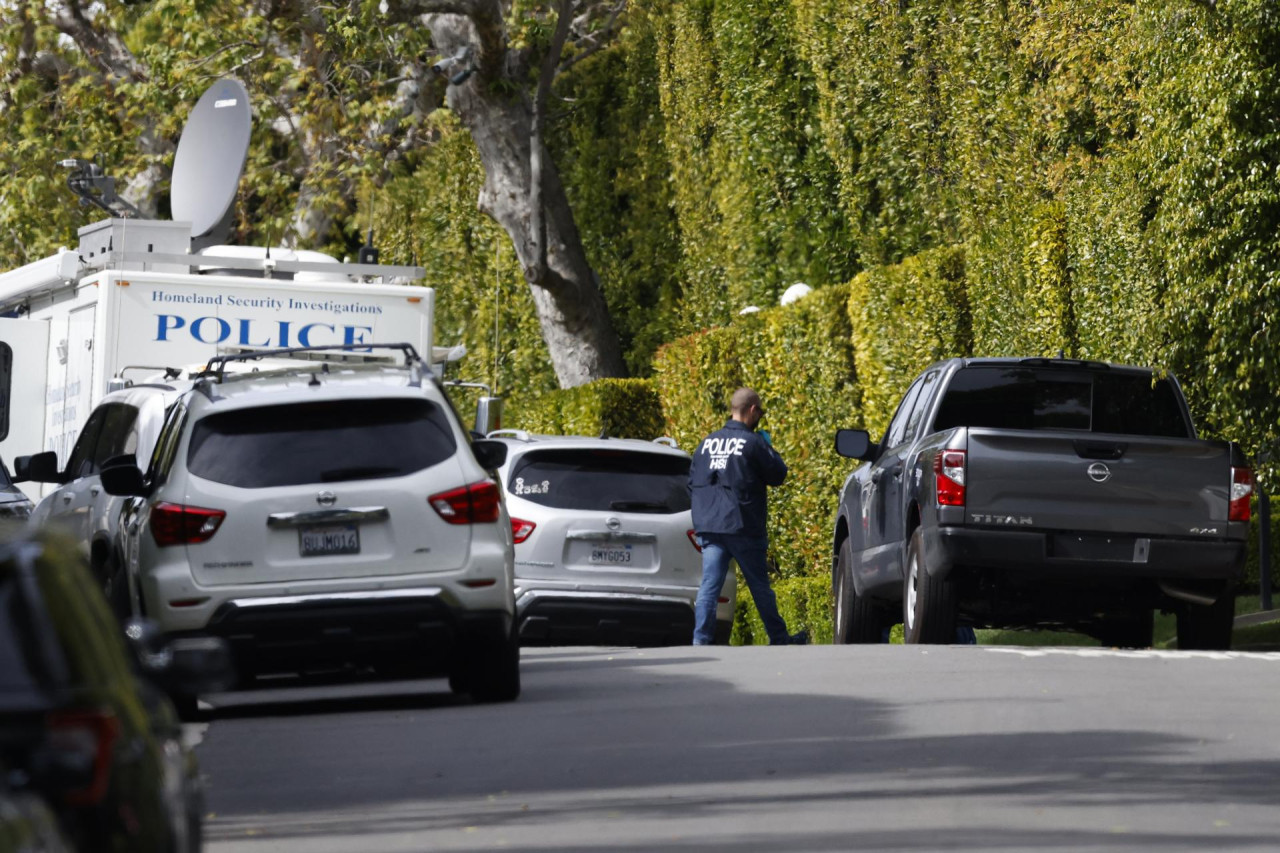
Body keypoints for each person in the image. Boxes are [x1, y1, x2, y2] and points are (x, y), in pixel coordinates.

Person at [689, 387, 808, 646]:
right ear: (753, 410)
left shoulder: (705, 444)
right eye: (761, 412)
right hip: (743, 525)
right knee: (759, 587)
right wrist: (768, 447)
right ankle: (778, 637)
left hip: (710, 525)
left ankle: (701, 641)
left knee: (710, 585)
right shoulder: (753, 443)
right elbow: (778, 475)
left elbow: (692, 482)